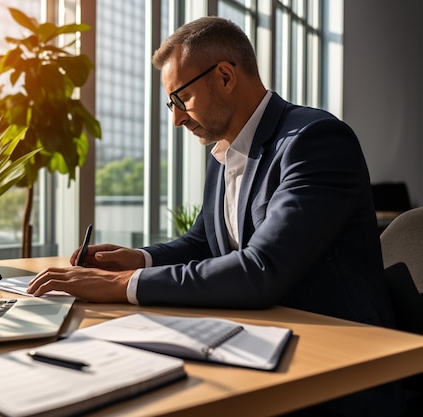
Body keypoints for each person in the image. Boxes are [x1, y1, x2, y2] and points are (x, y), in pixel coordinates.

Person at [28, 16, 404, 416]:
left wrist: (124, 285)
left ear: (225, 76)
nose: (175, 119)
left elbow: (262, 269)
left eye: (181, 99)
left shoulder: (313, 141)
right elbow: (204, 241)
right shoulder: (225, 153)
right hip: (259, 342)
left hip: (340, 370)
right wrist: (139, 260)